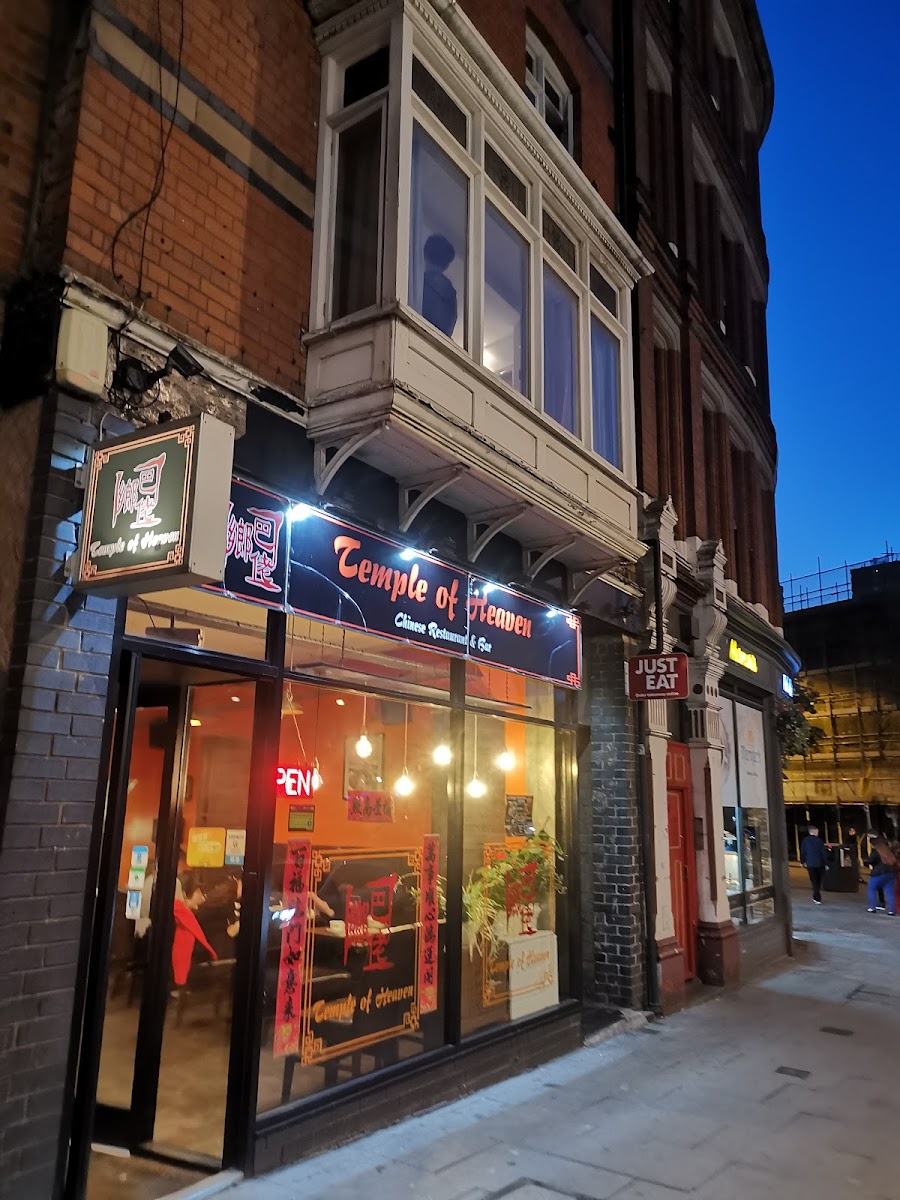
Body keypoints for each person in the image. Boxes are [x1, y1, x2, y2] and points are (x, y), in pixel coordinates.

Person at [421, 233, 458, 338]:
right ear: (446, 265)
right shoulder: (450, 291)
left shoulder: (417, 282)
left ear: (425, 255)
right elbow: (450, 324)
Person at [865, 835, 897, 916]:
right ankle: (891, 910)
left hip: (878, 873)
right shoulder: (888, 850)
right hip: (890, 873)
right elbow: (894, 861)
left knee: (871, 889)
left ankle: (872, 907)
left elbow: (870, 860)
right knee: (890, 892)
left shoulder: (876, 851)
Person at [799, 824, 827, 904]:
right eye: (817, 832)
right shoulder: (820, 841)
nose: (818, 833)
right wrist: (826, 863)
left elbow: (803, 852)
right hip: (820, 863)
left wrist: (802, 861)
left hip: (810, 863)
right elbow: (823, 853)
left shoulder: (805, 841)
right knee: (819, 880)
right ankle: (817, 895)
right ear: (814, 832)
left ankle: (816, 896)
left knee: (814, 880)